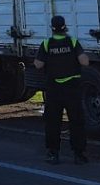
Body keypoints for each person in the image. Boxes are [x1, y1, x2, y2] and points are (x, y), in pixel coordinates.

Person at [33, 15, 90, 164]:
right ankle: (79, 154)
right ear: (65, 27)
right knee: (76, 121)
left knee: (53, 122)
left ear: (52, 28)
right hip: (72, 88)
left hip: (54, 88)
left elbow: (38, 64)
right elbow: (84, 61)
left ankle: (53, 153)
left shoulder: (46, 43)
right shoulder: (72, 42)